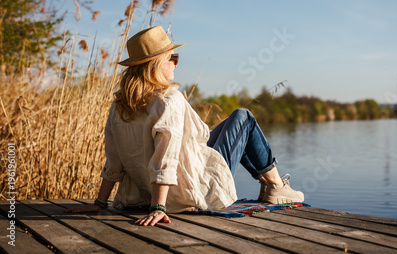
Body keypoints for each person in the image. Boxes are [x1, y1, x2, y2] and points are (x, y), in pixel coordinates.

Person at [65, 25, 304, 226]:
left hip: (147, 193)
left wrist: (100, 202)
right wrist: (159, 206)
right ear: (157, 63)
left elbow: (114, 158)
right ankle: (275, 185)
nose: (176, 64)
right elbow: (165, 157)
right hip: (188, 192)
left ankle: (270, 185)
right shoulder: (169, 99)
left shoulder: (120, 106)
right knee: (244, 118)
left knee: (230, 124)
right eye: (173, 58)